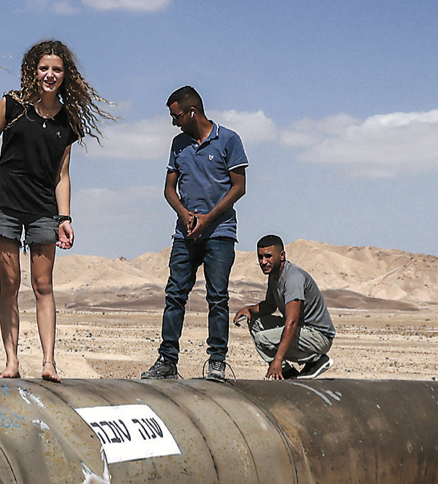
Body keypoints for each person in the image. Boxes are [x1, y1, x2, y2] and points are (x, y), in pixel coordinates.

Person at [0, 39, 111, 382]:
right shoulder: (12, 104)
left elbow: (62, 173)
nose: (50, 75)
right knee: (10, 283)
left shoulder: (68, 120)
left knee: (43, 284)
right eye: (44, 68)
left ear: (65, 75)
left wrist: (65, 217)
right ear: (33, 70)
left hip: (44, 208)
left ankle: (49, 362)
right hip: (5, 202)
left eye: (56, 69)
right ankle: (12, 362)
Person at [141, 86, 248, 383]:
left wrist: (208, 218)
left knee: (217, 297)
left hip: (220, 233)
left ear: (192, 112)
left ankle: (216, 361)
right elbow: (168, 189)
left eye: (176, 116)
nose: (174, 122)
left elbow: (239, 187)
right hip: (185, 234)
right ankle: (167, 361)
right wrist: (185, 215)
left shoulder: (228, 140)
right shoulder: (178, 144)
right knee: (175, 295)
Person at [235, 234, 335, 379]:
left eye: (268, 256)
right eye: (260, 257)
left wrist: (278, 358)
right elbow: (269, 306)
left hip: (318, 335)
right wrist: (249, 310)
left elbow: (292, 322)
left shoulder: (292, 278)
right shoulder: (274, 276)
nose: (263, 262)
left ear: (282, 255)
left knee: (262, 339)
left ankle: (315, 359)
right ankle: (287, 372)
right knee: (256, 323)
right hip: (301, 330)